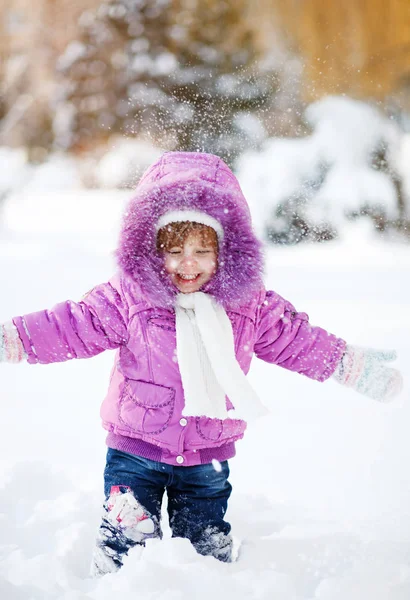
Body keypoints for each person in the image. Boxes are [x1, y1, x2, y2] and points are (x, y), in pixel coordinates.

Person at [0, 151, 403, 576]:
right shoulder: (128, 298)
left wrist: (349, 364)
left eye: (200, 250)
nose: (187, 263)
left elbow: (296, 339)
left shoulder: (248, 306)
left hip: (206, 457)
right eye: (173, 250)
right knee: (125, 541)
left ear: (225, 252)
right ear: (152, 250)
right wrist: (14, 339)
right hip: (135, 450)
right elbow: (71, 325)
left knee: (206, 550)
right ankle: (114, 582)